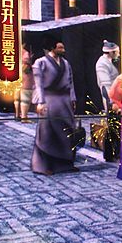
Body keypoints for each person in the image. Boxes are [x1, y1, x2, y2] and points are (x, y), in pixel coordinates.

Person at [31, 41, 77, 175]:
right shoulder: (41, 62)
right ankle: (45, 166)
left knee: (67, 131)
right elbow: (38, 84)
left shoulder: (66, 63)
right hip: (49, 100)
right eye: (60, 47)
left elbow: (70, 82)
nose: (63, 50)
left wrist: (72, 98)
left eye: (63, 47)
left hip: (64, 100)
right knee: (47, 133)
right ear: (52, 47)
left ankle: (66, 164)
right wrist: (40, 101)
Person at [95, 40, 120, 111]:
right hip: (110, 98)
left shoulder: (108, 62)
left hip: (115, 95)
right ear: (111, 52)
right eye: (117, 52)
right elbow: (105, 85)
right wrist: (112, 102)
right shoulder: (102, 63)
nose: (118, 54)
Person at [14, 48, 34, 122]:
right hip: (25, 76)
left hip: (15, 74)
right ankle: (24, 117)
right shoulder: (25, 53)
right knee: (25, 95)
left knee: (17, 97)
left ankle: (17, 114)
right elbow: (26, 66)